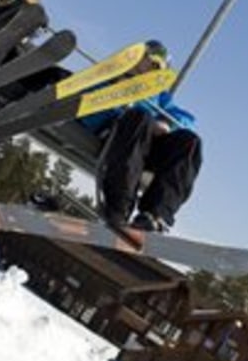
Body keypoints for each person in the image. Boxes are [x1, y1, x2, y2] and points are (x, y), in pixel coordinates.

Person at [81, 40, 201, 233]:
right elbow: (84, 105)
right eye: (146, 61)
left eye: (155, 66)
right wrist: (119, 112)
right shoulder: (110, 78)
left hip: (146, 144)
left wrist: (165, 123)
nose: (147, 67)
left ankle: (155, 215)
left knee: (189, 141)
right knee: (139, 116)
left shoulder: (157, 94)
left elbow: (184, 118)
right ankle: (119, 208)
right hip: (116, 134)